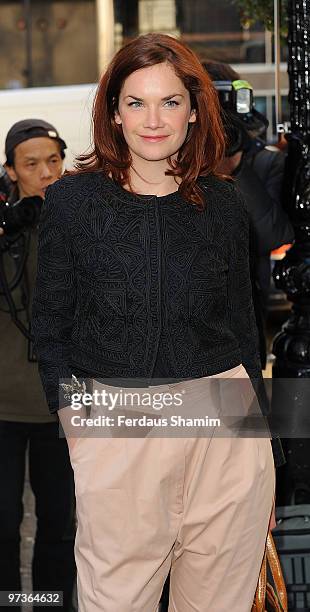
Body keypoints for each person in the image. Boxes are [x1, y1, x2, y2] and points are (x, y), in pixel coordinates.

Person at [32, 34, 277, 612]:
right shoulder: (72, 202)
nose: (153, 119)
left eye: (170, 102)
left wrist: (264, 437)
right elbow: (51, 322)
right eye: (136, 102)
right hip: (119, 416)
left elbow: (244, 321)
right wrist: (75, 419)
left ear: (194, 113)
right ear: (113, 114)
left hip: (226, 418)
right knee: (116, 598)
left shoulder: (223, 203)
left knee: (221, 599)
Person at [0, 120, 76, 611]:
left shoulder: (78, 225)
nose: (46, 174)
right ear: (10, 172)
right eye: (31, 165)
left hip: (61, 403)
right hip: (3, 407)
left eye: (54, 161)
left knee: (58, 524)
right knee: (3, 524)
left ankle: (50, 605)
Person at [202, 60, 295, 370]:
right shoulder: (173, 161)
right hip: (184, 324)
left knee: (245, 415)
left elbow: (271, 235)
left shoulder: (265, 163)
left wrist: (235, 168)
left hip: (242, 318)